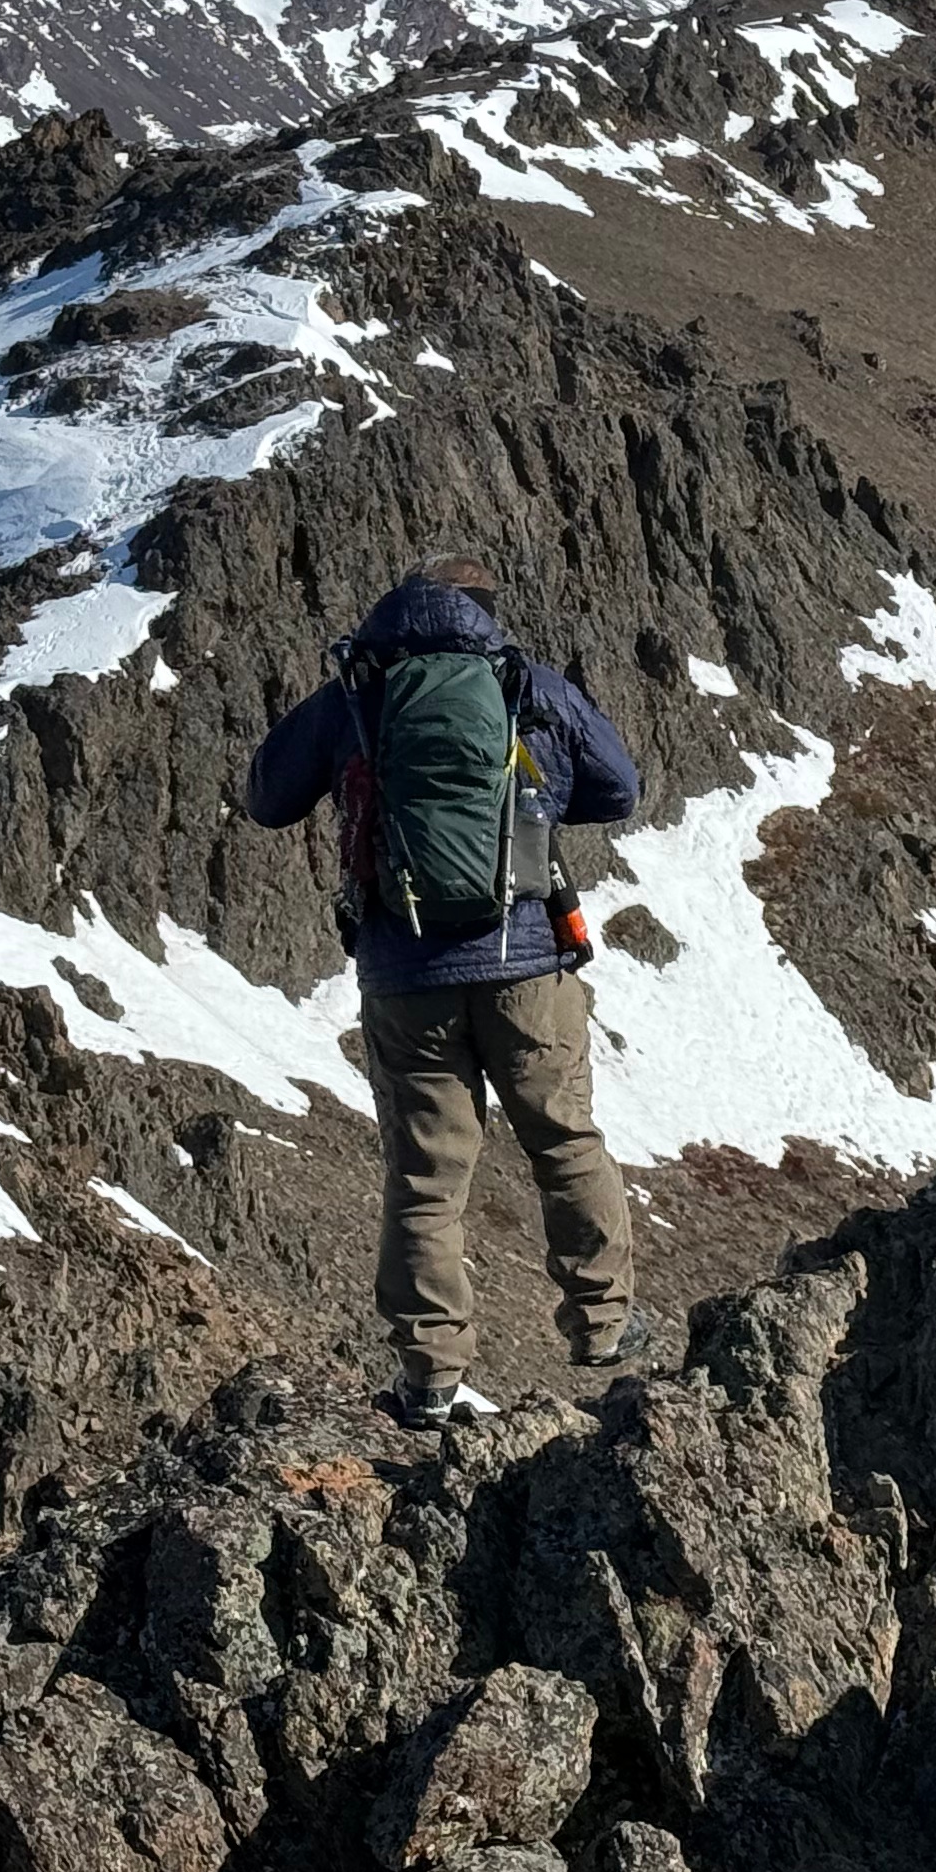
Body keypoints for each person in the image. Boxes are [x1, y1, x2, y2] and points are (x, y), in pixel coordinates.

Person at [244, 553, 646, 1427]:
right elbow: (619, 789)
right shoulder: (527, 683)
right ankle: (603, 1328)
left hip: (405, 973)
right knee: (566, 1142)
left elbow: (268, 799)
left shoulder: (359, 690)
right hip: (527, 958)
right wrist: (527, 805)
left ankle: (429, 1372)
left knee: (427, 1179)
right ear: (486, 611)